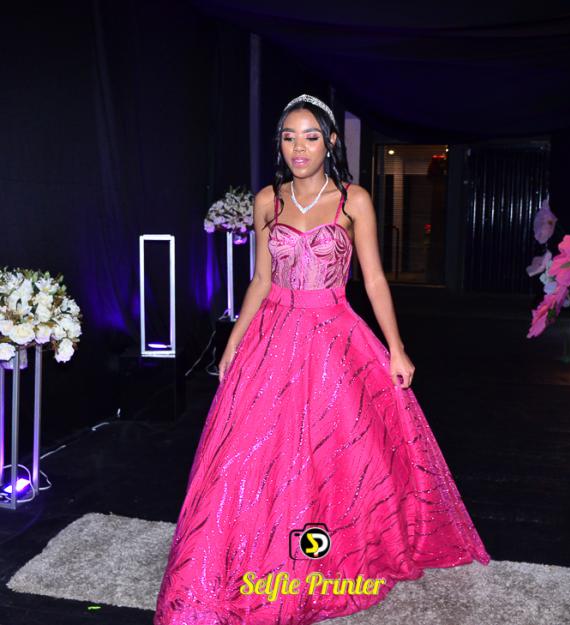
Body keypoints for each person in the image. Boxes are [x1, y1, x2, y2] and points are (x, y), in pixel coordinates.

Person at [154, 93, 490, 625]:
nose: (299, 148)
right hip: (272, 337)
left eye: (310, 137)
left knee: (334, 455)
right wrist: (234, 341)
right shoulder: (268, 200)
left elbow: (373, 280)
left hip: (334, 337)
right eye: (289, 137)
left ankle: (317, 558)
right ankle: (238, 557)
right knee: (250, 454)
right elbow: (260, 280)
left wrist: (397, 347)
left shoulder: (353, 201)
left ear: (330, 142)